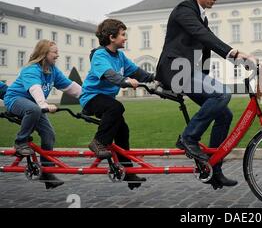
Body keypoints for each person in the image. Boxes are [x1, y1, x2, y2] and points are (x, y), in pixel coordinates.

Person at [156, 0, 254, 189]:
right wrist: (234, 53)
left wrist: (207, 74)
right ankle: (188, 138)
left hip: (188, 71)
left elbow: (206, 48)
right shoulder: (184, 10)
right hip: (174, 70)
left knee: (224, 114)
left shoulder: (202, 17)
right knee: (222, 93)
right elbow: (202, 35)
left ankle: (213, 170)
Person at [80, 19, 155, 189]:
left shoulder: (120, 56)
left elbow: (137, 71)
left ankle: (128, 173)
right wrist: (126, 81)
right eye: (123, 35)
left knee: (123, 130)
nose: (125, 38)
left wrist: (154, 78)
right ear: (112, 37)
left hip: (106, 100)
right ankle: (98, 142)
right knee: (116, 107)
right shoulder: (99, 55)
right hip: (91, 98)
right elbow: (110, 75)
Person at [3, 39, 82, 189]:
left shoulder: (53, 70)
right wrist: (43, 104)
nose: (58, 55)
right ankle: (20, 142)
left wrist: (89, 98)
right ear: (44, 53)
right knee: (33, 109)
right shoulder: (31, 69)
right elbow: (35, 88)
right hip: (15, 100)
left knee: (49, 134)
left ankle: (47, 171)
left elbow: (71, 87)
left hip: (35, 105)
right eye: (55, 52)